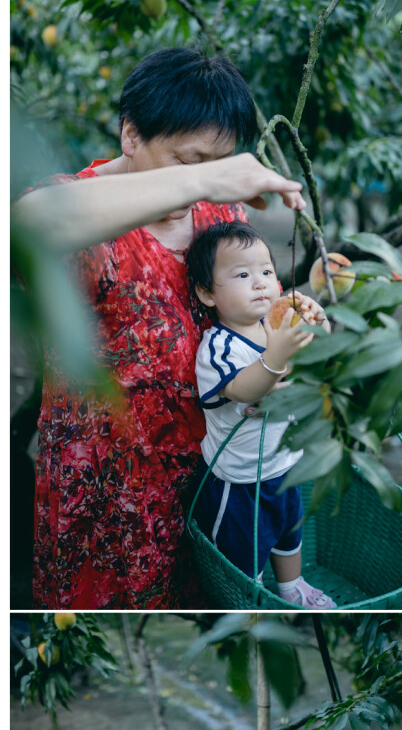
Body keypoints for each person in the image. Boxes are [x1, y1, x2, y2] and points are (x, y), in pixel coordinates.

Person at [15, 46, 307, 608]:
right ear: (130, 133)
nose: (199, 183)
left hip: (209, 485)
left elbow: (241, 317)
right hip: (108, 501)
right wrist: (207, 178)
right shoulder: (83, 213)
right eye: (186, 160)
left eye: (214, 165)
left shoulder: (219, 217)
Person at [187, 220, 335, 607]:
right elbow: (245, 389)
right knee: (243, 552)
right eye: (242, 274)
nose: (260, 283)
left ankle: (292, 586)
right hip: (238, 482)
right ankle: (247, 598)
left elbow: (316, 366)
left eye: (267, 272)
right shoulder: (218, 348)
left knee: (290, 533)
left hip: (284, 465)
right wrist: (279, 354)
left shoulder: (277, 328)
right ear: (206, 293)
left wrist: (320, 328)